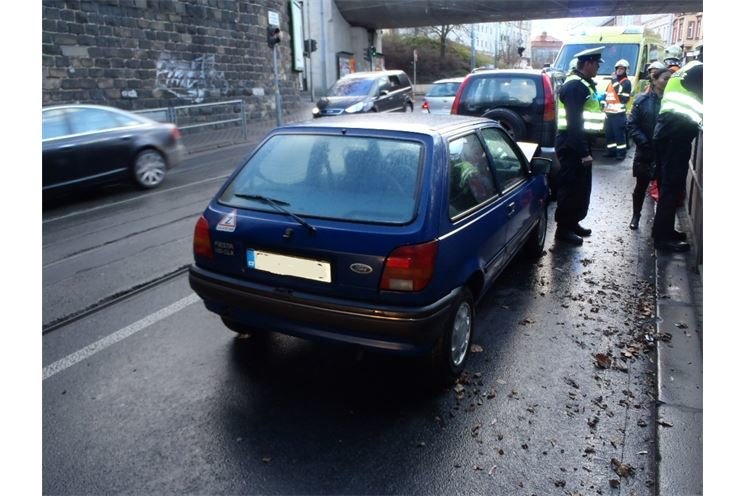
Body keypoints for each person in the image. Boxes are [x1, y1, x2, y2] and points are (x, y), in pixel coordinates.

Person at [554, 46, 605, 246]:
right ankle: (563, 229)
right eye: (597, 64)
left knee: (580, 188)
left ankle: (573, 222)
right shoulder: (575, 86)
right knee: (570, 187)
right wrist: (583, 152)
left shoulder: (583, 84)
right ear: (588, 63)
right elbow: (575, 123)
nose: (598, 68)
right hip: (572, 146)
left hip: (578, 144)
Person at [651, 60, 703, 252]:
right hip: (675, 135)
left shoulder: (686, 70)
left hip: (667, 132)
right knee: (671, 186)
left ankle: (663, 231)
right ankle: (663, 239)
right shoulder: (700, 72)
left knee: (668, 186)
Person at [627, 68, 672, 230]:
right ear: (654, 80)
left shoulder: (672, 102)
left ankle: (661, 224)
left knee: (664, 189)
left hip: (665, 152)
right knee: (641, 186)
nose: (668, 82)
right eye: (665, 78)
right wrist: (644, 143)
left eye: (670, 79)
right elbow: (632, 125)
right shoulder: (642, 100)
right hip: (645, 151)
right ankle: (636, 215)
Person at [602, 59, 632, 160]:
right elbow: (606, 95)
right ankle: (611, 151)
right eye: (618, 69)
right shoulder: (612, 82)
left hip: (618, 114)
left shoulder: (626, 82)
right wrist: (602, 103)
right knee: (609, 134)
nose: (619, 71)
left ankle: (621, 153)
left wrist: (614, 80)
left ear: (626, 70)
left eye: (622, 69)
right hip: (609, 113)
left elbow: (622, 98)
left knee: (619, 135)